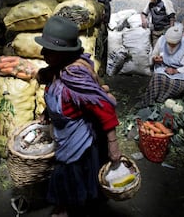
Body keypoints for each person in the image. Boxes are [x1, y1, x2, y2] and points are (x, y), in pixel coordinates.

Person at [34, 16, 122, 217]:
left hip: (80, 142)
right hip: (65, 136)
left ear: (63, 53)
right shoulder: (58, 71)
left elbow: (105, 108)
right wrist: (47, 113)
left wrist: (113, 144)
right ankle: (69, 206)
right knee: (69, 174)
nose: (42, 53)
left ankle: (68, 208)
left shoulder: (76, 76)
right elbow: (58, 96)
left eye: (48, 50)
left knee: (72, 173)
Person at [136, 23, 184, 108]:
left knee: (178, 85)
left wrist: (176, 71)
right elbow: (154, 54)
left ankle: (160, 100)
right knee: (157, 78)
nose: (171, 45)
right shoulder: (162, 39)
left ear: (179, 41)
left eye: (174, 44)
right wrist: (155, 59)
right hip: (165, 68)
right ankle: (148, 101)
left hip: (181, 72)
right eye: (169, 43)